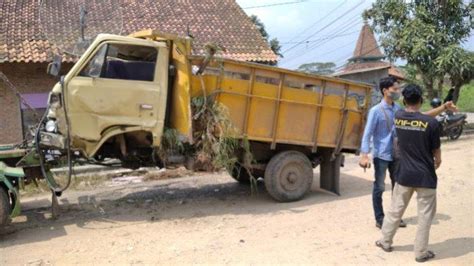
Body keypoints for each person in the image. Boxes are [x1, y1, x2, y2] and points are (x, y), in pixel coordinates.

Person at [359, 77, 456, 229]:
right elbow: (367, 133)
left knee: (397, 188)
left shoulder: (398, 109)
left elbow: (422, 116)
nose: (398, 92)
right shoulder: (375, 111)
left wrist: (443, 107)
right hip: (381, 155)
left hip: (397, 155)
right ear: (385, 91)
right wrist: (364, 154)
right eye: (395, 89)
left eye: (398, 89)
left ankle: (393, 218)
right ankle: (380, 218)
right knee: (379, 188)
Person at [375, 84, 441, 263]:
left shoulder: (398, 117)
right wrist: (438, 161)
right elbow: (436, 152)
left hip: (404, 174)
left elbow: (415, 118)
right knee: (425, 216)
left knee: (395, 210)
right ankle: (420, 252)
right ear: (421, 100)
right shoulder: (432, 123)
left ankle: (385, 241)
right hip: (426, 176)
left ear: (404, 100)